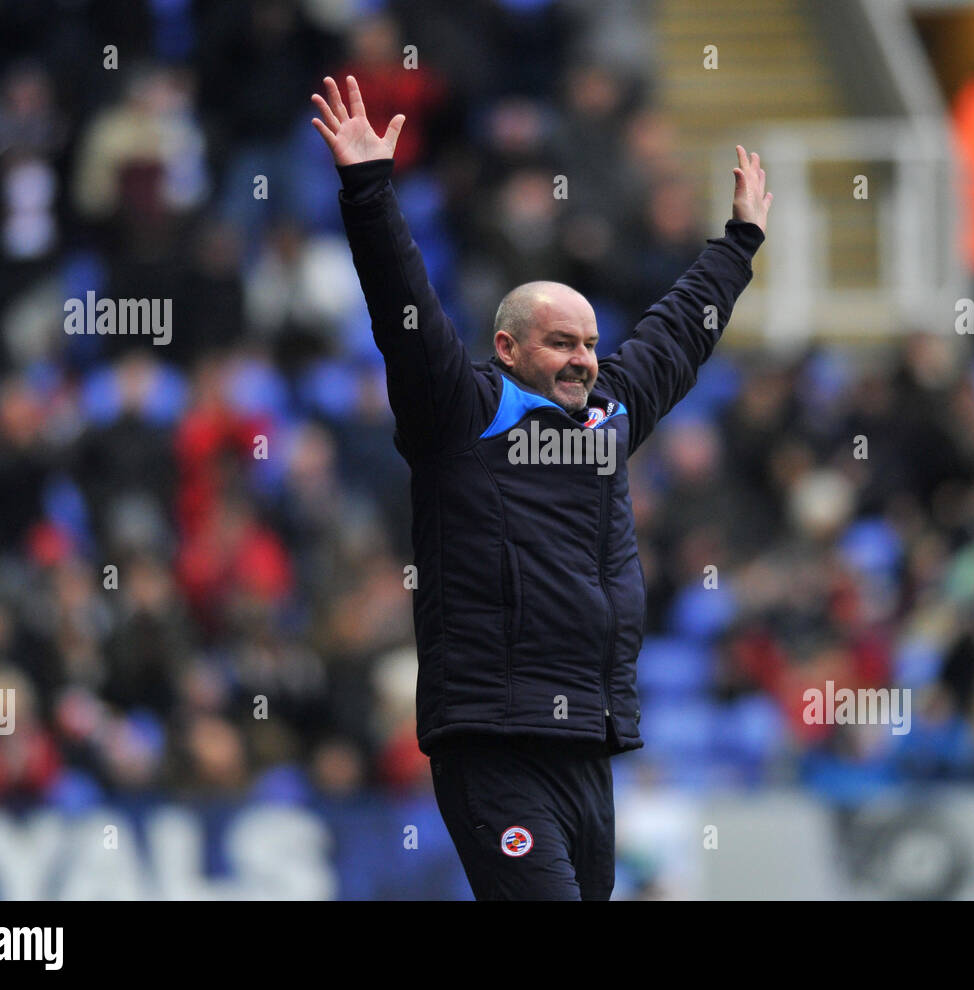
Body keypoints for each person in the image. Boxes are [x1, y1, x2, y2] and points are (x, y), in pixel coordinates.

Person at [311, 75, 771, 900]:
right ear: (509, 346)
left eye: (591, 343)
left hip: (588, 745)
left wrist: (736, 245)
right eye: (561, 342)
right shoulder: (461, 416)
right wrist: (370, 190)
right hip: (495, 743)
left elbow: (674, 338)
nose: (583, 359)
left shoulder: (607, 418)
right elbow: (401, 309)